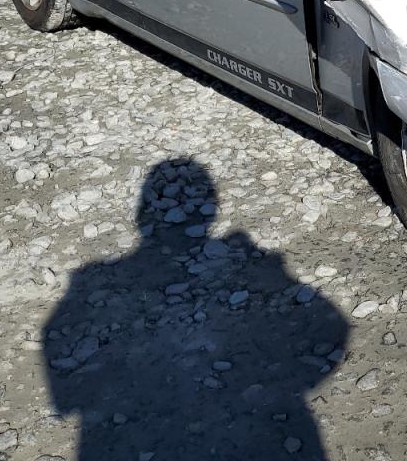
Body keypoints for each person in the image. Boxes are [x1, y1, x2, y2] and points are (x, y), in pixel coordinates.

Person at [43, 160, 347, 460]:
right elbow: (337, 326)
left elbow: (65, 395)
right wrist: (294, 387)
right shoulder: (258, 262)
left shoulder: (89, 281)